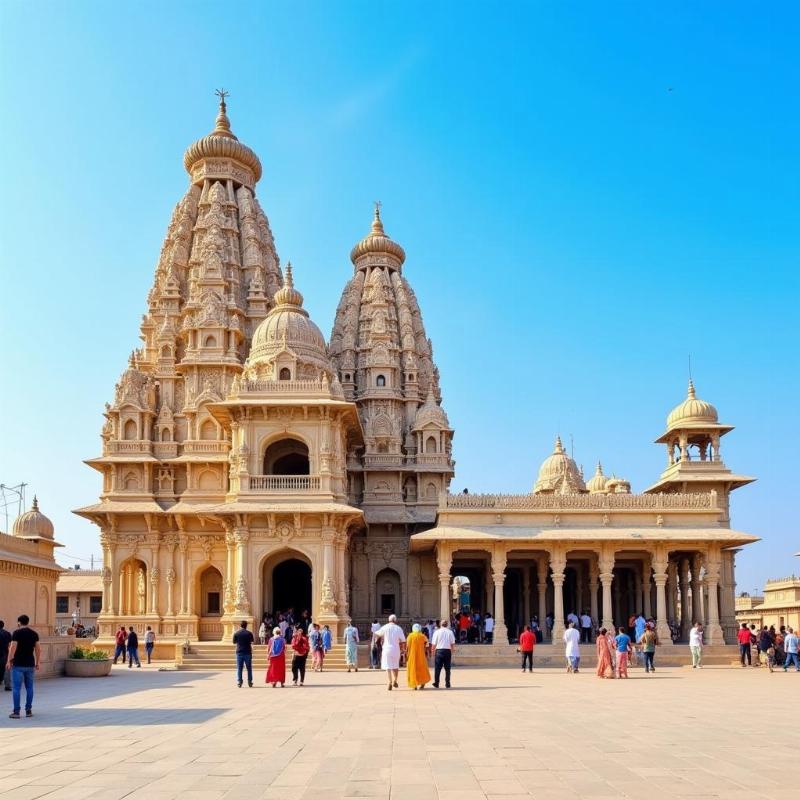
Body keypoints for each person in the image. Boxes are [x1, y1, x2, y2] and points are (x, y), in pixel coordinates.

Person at [6, 615, 40, 719]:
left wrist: (9, 661)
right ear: (28, 622)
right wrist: (37, 662)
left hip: (18, 664)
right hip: (30, 664)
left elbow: (13, 647)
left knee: (16, 688)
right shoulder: (34, 634)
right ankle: (28, 710)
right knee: (30, 687)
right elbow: (38, 649)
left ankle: (16, 712)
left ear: (19, 622)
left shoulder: (17, 633)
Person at [376, 614, 406, 690]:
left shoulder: (385, 627)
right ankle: (395, 680)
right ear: (395, 620)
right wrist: (403, 649)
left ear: (388, 620)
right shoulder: (398, 628)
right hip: (396, 649)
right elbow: (403, 640)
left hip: (386, 649)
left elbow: (377, 634)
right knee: (396, 666)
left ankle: (389, 682)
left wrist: (379, 642)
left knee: (388, 667)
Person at [431, 618, 456, 688]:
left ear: (440, 624)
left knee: (437, 668)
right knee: (448, 668)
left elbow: (434, 644)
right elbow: (452, 643)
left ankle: (436, 683)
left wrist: (432, 651)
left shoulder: (437, 632)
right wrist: (453, 650)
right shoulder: (450, 632)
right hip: (447, 651)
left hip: (439, 651)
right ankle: (447, 683)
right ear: (447, 625)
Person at [406, 623, 431, 690]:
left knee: (413, 669)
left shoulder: (410, 636)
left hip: (412, 656)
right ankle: (422, 683)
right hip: (421, 656)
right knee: (422, 669)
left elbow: (407, 647)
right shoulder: (423, 636)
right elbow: (427, 645)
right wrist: (427, 654)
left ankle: (414, 685)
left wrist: (406, 655)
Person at [233, 620, 254, 688]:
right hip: (247, 652)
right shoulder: (249, 633)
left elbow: (234, 642)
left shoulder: (236, 633)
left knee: (239, 668)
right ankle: (250, 681)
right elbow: (252, 641)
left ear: (240, 625)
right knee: (249, 668)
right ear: (246, 625)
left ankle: (239, 681)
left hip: (239, 652)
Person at [0, 621, 11, 692]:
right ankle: (7, 686)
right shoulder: (7, 633)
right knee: (7, 670)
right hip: (5, 654)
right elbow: (10, 644)